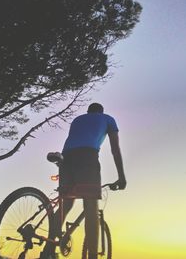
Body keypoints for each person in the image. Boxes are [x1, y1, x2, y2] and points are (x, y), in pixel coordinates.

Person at [41, 103, 126, 259]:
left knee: (66, 203)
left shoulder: (78, 119)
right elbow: (115, 149)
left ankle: (48, 249)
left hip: (66, 158)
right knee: (90, 203)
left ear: (88, 112)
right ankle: (92, 256)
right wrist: (121, 176)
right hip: (87, 156)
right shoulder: (108, 119)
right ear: (101, 111)